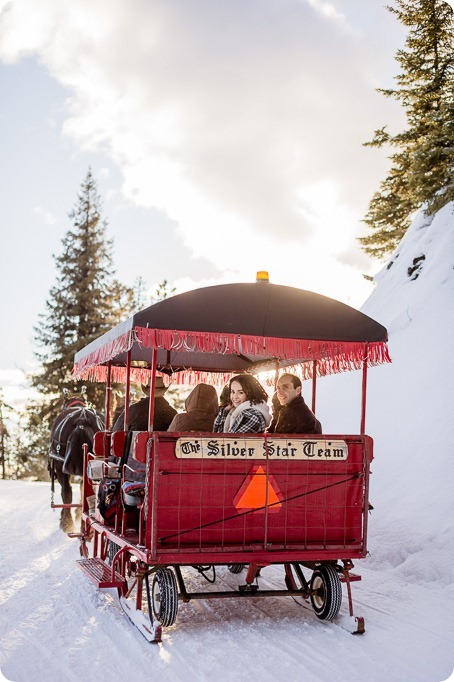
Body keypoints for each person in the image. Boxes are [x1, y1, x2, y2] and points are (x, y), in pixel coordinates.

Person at [111, 376, 177, 431]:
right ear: (163, 392)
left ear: (147, 391)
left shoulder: (133, 409)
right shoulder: (173, 413)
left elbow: (117, 430)